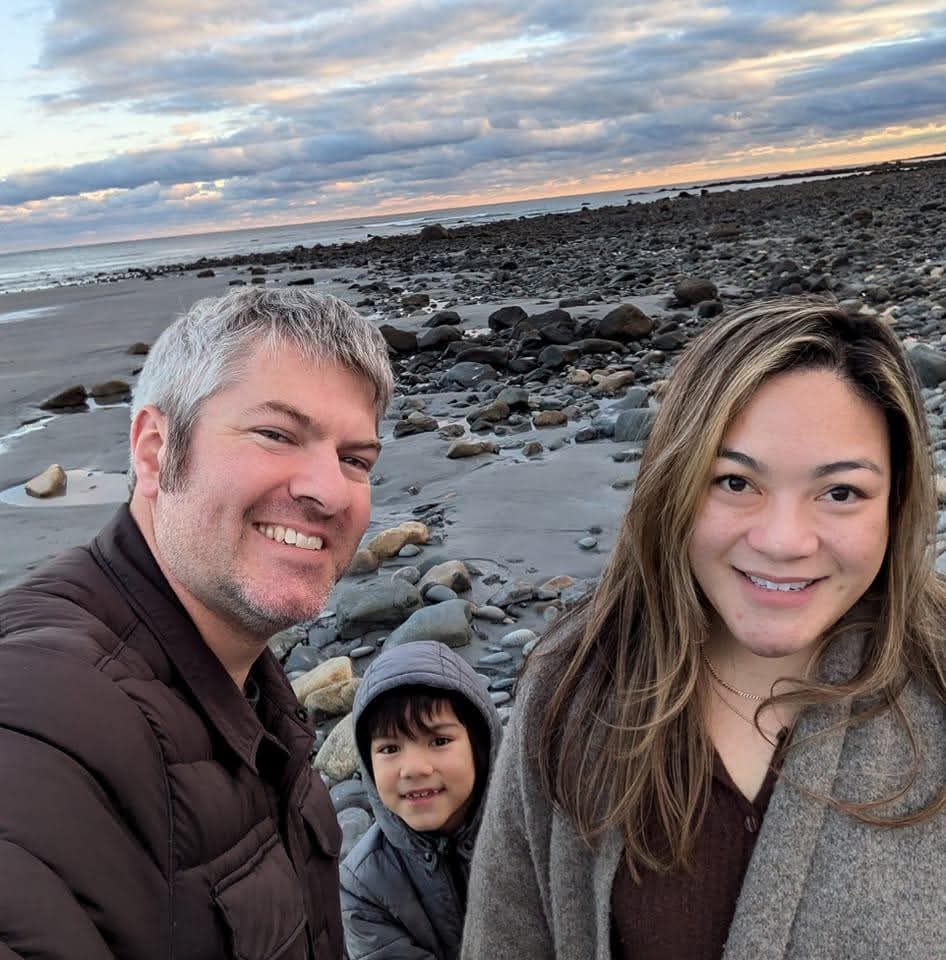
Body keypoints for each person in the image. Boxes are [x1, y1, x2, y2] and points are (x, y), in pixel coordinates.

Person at [462, 297, 946, 960]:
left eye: (840, 492)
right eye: (734, 481)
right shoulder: (571, 689)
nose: (782, 541)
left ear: (897, 504)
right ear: (676, 483)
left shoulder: (937, 683)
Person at [0, 288, 393, 959]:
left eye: (355, 459)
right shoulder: (51, 711)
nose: (329, 491)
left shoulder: (250, 687)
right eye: (276, 434)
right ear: (154, 452)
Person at [341, 640, 502, 959]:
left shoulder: (534, 832)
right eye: (389, 749)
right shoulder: (363, 885)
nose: (414, 769)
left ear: (480, 745)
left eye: (439, 740)